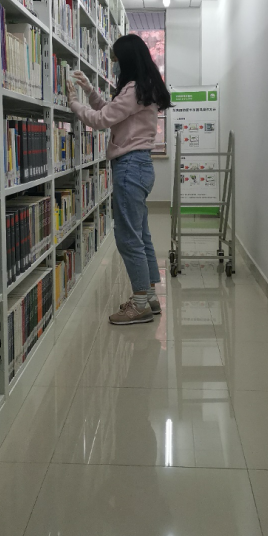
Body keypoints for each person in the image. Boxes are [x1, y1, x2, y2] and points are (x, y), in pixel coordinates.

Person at [67, 33, 171, 325]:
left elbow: (101, 119)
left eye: (115, 59)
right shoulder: (143, 88)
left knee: (128, 238)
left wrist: (74, 104)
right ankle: (148, 297)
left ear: (126, 59)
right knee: (141, 234)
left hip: (130, 168)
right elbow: (111, 111)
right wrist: (90, 91)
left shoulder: (134, 88)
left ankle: (139, 305)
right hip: (140, 166)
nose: (113, 65)